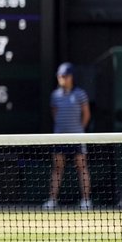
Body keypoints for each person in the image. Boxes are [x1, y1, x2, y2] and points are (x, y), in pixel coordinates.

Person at [43, 63, 92, 211]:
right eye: (60, 76)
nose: (61, 78)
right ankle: (52, 200)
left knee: (82, 167)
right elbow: (54, 113)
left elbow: (86, 114)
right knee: (57, 168)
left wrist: (78, 130)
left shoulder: (80, 94)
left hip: (77, 138)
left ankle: (86, 201)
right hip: (59, 138)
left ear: (71, 77)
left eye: (64, 76)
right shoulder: (55, 96)